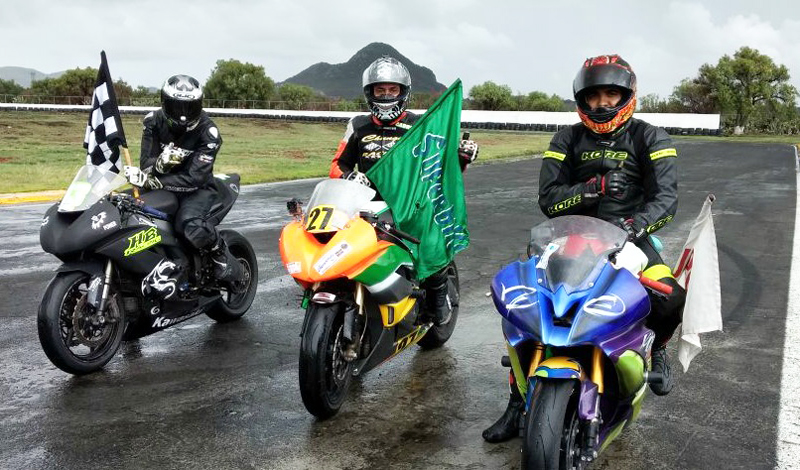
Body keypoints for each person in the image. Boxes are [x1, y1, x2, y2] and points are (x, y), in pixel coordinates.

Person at [482, 54, 686, 443]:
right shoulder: (566, 137)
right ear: (582, 99)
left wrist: (633, 226)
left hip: (632, 239)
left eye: (612, 93)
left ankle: (657, 348)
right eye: (594, 96)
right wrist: (592, 189)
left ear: (628, 95)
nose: (603, 103)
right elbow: (549, 198)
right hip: (566, 239)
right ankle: (516, 401)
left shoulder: (651, 136)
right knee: (524, 308)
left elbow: (666, 200)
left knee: (671, 298)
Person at [329, 56, 479, 326]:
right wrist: (350, 175)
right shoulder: (357, 125)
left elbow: (440, 167)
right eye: (380, 90)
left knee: (432, 243)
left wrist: (462, 157)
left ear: (403, 92)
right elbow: (337, 164)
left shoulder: (419, 126)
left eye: (392, 90)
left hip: (408, 206)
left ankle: (436, 305)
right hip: (363, 205)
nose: (386, 95)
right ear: (369, 93)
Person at [124, 74, 242, 294]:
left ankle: (219, 254)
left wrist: (153, 180)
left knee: (188, 224)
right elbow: (146, 163)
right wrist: (159, 165)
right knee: (123, 206)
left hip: (198, 190)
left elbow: (195, 178)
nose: (183, 115)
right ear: (164, 102)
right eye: (177, 106)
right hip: (161, 184)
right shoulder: (152, 121)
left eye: (189, 107)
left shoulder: (209, 133)